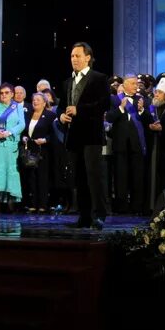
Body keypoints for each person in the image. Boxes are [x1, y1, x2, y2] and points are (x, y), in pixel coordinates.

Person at [58, 42, 113, 229]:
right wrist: (61, 115)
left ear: (88, 57)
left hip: (91, 135)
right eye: (72, 56)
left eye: (77, 56)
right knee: (79, 178)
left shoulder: (98, 78)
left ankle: (99, 215)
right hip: (74, 136)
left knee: (94, 176)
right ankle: (84, 216)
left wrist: (79, 110)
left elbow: (105, 103)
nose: (74, 59)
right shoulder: (67, 82)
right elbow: (60, 106)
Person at [108, 74, 153, 214]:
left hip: (137, 144)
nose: (136, 86)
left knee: (137, 177)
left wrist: (141, 110)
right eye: (133, 83)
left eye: (137, 84)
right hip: (120, 144)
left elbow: (149, 120)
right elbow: (109, 117)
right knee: (121, 177)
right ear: (125, 84)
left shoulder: (142, 99)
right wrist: (121, 108)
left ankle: (137, 206)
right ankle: (121, 207)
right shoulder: (114, 99)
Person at [0, 83, 25, 213]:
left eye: (7, 93)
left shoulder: (17, 107)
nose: (4, 95)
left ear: (12, 94)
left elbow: (22, 124)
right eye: (1, 93)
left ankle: (10, 204)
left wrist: (10, 132)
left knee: (11, 173)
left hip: (11, 145)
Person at [21, 92, 55, 212]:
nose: (35, 102)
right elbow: (24, 131)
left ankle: (42, 205)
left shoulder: (50, 115)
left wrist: (45, 140)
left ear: (44, 103)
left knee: (42, 177)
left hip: (43, 150)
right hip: (29, 150)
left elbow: (54, 134)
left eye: (38, 100)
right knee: (31, 178)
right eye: (34, 100)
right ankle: (32, 204)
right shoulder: (28, 114)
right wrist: (23, 137)